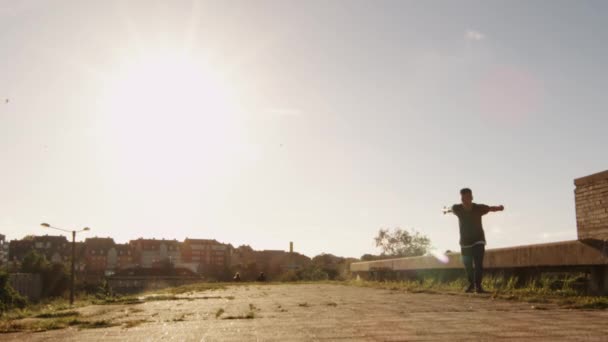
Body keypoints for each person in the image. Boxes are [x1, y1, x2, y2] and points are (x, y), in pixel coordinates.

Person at [448, 188, 504, 293]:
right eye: (464, 199)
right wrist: (447, 210)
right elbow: (451, 209)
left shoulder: (479, 208)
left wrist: (499, 208)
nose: (466, 201)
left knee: (478, 263)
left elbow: (490, 208)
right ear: (461, 199)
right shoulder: (457, 208)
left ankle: (478, 286)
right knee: (468, 265)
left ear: (472, 198)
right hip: (465, 242)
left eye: (468, 198)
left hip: (478, 240)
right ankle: (471, 284)